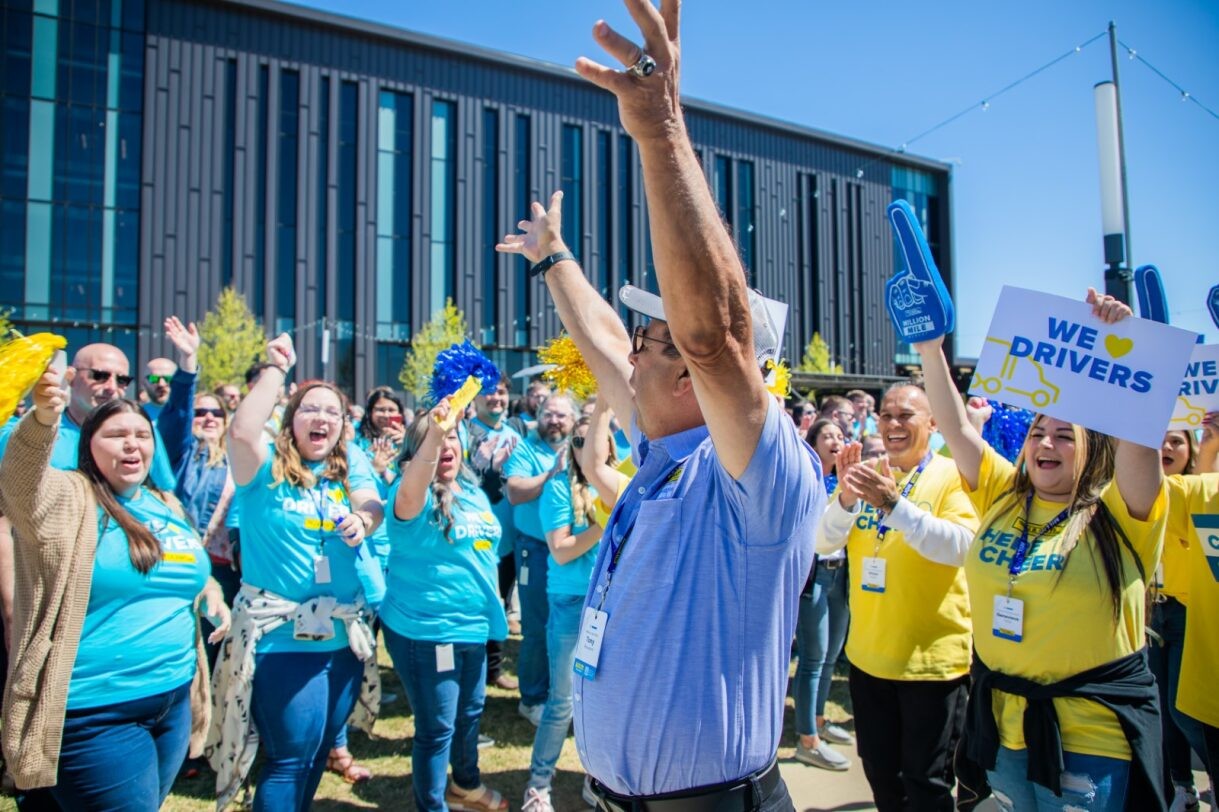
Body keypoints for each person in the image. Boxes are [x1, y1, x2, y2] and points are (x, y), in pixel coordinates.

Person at [496, 3, 821, 805]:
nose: (627, 355)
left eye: (652, 341)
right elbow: (607, 339)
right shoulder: (662, 450)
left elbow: (715, 339)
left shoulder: (757, 477)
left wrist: (660, 131)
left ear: (691, 376)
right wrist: (554, 261)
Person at [916, 289, 1169, 811]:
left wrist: (1131, 346)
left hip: (1089, 741)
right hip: (1004, 730)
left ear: (1094, 447)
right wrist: (929, 347)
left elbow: (1141, 443)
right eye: (1037, 432)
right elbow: (958, 427)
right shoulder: (1003, 495)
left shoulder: (1121, 514)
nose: (1045, 444)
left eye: (1063, 435)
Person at [0, 366, 229, 810]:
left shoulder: (165, 504)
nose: (133, 444)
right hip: (95, 710)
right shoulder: (69, 497)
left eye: (143, 435)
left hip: (171, 701)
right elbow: (20, 486)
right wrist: (43, 419)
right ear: (89, 445)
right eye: (116, 434)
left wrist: (209, 592)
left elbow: (181, 568)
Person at [208, 333, 385, 812]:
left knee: (312, 756)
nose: (322, 418)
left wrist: (364, 519)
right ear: (289, 421)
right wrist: (277, 369)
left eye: (333, 412)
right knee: (288, 758)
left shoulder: (348, 468)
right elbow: (242, 431)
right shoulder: (262, 470)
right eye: (310, 409)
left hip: (343, 643)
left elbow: (373, 504)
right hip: (281, 641)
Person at [816, 382, 979, 811]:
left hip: (931, 666)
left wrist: (894, 505)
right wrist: (848, 497)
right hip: (870, 659)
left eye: (905, 415)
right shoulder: (866, 472)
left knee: (927, 783)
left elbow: (961, 546)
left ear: (933, 423)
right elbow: (822, 541)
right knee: (882, 776)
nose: (892, 424)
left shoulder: (953, 474)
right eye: (886, 415)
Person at [381, 399, 509, 812]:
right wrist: (434, 433)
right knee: (436, 728)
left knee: (469, 714)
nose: (446, 444)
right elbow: (415, 482)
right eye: (435, 440)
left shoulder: (471, 493)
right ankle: (431, 805)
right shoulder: (409, 496)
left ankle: (465, 786)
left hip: (473, 627)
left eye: (453, 435)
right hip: (429, 632)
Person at [522, 415, 611, 811]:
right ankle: (538, 785)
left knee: (605, 703)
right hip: (572, 604)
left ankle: (599, 779)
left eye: (594, 438)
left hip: (613, 605)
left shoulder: (622, 481)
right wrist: (604, 523)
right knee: (562, 703)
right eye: (578, 439)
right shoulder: (557, 488)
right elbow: (561, 550)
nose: (585, 445)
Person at [503, 392, 576, 724]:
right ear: (538, 416)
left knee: (566, 623)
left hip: (573, 548)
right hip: (535, 549)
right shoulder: (525, 448)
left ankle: (562, 693)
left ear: (573, 420)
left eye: (562, 415)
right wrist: (551, 474)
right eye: (549, 414)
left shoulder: (581, 446)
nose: (555, 421)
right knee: (536, 625)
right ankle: (532, 698)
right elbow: (515, 492)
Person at [1152, 428, 1208, 810]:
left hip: (1193, 613)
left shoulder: (1200, 493)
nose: (1167, 447)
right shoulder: (1139, 494)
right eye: (1160, 438)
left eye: (1177, 441)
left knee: (1184, 710)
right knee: (1162, 712)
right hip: (1153, 613)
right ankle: (1181, 788)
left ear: (1193, 449)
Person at [1165, 414, 1219, 810]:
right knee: (1173, 711)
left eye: (1176, 442)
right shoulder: (1202, 492)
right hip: (1211, 696)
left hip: (1185, 617)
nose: (1168, 449)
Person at [793, 418, 853, 771]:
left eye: (840, 435)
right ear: (813, 443)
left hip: (841, 577)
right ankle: (806, 740)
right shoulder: (807, 480)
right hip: (814, 579)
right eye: (827, 435)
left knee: (830, 656)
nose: (836, 440)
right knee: (812, 659)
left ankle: (818, 721)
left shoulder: (850, 481)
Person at [466, 374, 524, 691]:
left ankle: (494, 669)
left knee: (500, 604)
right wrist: (485, 465)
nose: (495, 398)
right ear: (476, 399)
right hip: (476, 540)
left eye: (500, 392)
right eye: (488, 393)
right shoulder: (466, 433)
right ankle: (475, 669)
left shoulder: (517, 430)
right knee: (480, 604)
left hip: (511, 539)